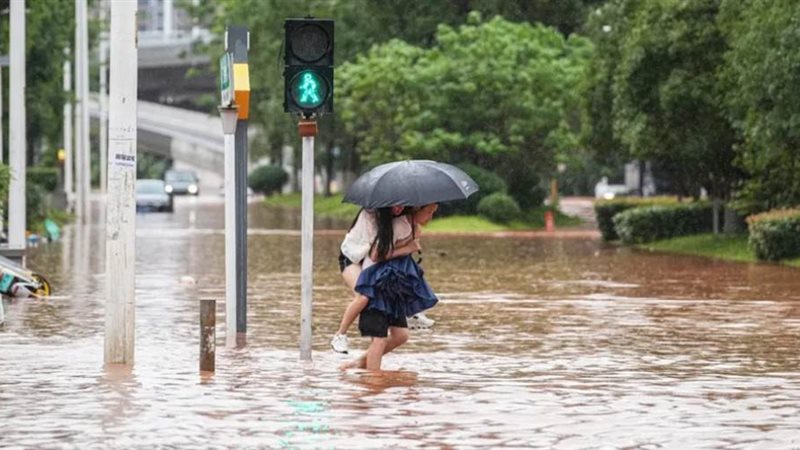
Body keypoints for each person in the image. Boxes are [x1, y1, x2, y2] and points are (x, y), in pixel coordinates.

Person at [341, 203, 439, 371]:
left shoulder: (407, 226)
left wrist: (411, 242)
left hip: (388, 284)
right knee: (377, 335)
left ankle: (359, 364)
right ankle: (373, 380)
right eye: (429, 212)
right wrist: (408, 246)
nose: (431, 217)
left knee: (401, 336)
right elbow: (377, 255)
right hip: (374, 280)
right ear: (417, 208)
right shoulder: (395, 224)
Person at [331, 206, 421, 354]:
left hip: (368, 260)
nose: (399, 208)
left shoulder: (396, 218)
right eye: (396, 204)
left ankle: (411, 314)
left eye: (402, 204)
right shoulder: (370, 214)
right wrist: (407, 244)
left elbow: (386, 248)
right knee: (364, 295)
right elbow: (378, 250)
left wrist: (411, 234)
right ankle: (340, 335)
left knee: (394, 280)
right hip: (352, 258)